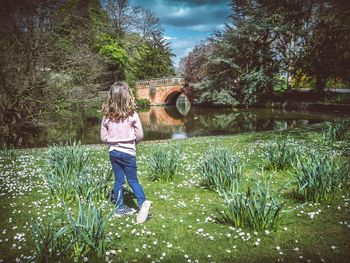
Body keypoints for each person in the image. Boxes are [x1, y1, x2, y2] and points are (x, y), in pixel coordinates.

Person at [100, 81, 151, 223]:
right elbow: (140, 134)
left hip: (114, 152)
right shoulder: (132, 114)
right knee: (133, 180)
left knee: (118, 181)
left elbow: (103, 138)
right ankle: (142, 203)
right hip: (129, 152)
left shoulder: (107, 116)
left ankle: (120, 209)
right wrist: (132, 142)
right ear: (128, 96)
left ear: (111, 97)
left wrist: (113, 140)